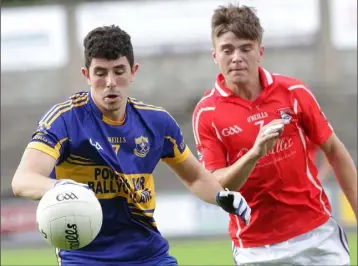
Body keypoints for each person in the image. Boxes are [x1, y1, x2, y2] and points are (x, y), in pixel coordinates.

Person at [11, 25, 279, 266]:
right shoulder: (65, 120)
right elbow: (23, 180)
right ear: (87, 75)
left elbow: (195, 176)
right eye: (100, 73)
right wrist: (61, 187)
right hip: (84, 258)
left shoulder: (157, 123)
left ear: (133, 71)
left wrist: (220, 196)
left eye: (119, 71)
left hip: (148, 255)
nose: (111, 83)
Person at [192, 3, 357, 266]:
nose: (236, 57)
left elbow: (335, 151)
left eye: (246, 48)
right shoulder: (207, 113)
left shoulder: (293, 92)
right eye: (227, 50)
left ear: (260, 51)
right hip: (257, 250)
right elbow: (217, 185)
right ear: (215, 55)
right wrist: (255, 153)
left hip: (317, 236)